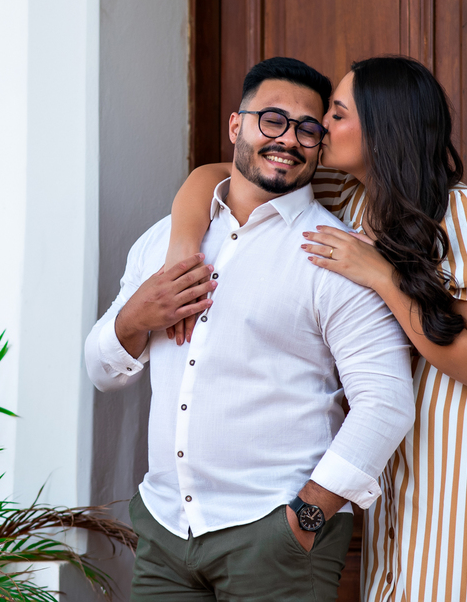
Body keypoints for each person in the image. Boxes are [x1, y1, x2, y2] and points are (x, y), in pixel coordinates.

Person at [165, 55, 467, 601]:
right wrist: (182, 254)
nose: (319, 127)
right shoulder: (347, 195)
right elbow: (214, 175)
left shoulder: (466, 213)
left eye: (336, 115)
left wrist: (381, 276)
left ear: (384, 130)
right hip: (399, 432)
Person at [84, 57, 415, 601]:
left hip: (275, 537)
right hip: (164, 533)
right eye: (272, 120)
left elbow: (386, 401)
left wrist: (306, 518)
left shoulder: (334, 255)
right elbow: (102, 372)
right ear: (236, 126)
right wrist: (135, 319)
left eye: (307, 128)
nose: (288, 139)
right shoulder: (165, 241)